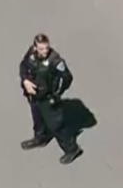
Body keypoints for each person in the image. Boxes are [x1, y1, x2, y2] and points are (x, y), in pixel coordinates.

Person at [18, 33, 83, 164]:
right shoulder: (31, 54)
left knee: (56, 124)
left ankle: (72, 149)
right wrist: (25, 81)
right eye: (41, 48)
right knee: (37, 118)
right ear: (35, 47)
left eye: (46, 48)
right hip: (34, 94)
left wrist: (56, 93)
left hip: (48, 97)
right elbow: (23, 66)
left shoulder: (55, 61)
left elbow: (67, 78)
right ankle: (40, 137)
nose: (45, 51)